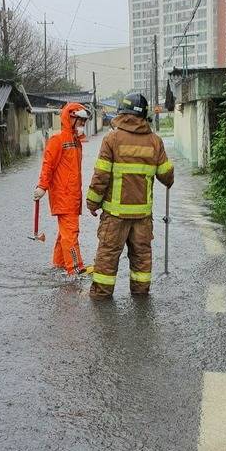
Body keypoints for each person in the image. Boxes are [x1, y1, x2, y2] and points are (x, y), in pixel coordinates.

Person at [86, 93, 174, 298]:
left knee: (107, 257)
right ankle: (141, 295)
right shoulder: (155, 142)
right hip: (142, 217)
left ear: (122, 113)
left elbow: (101, 175)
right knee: (142, 257)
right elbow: (166, 176)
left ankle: (101, 296)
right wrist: (169, 173)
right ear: (144, 115)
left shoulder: (112, 139)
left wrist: (92, 202)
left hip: (114, 216)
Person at [34, 102, 93, 277]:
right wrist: (42, 187)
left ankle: (60, 263)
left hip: (73, 197)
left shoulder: (75, 142)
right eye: (80, 121)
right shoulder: (58, 141)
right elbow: (48, 165)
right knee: (70, 234)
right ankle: (75, 268)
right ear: (71, 118)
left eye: (84, 122)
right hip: (64, 197)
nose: (83, 125)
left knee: (65, 234)